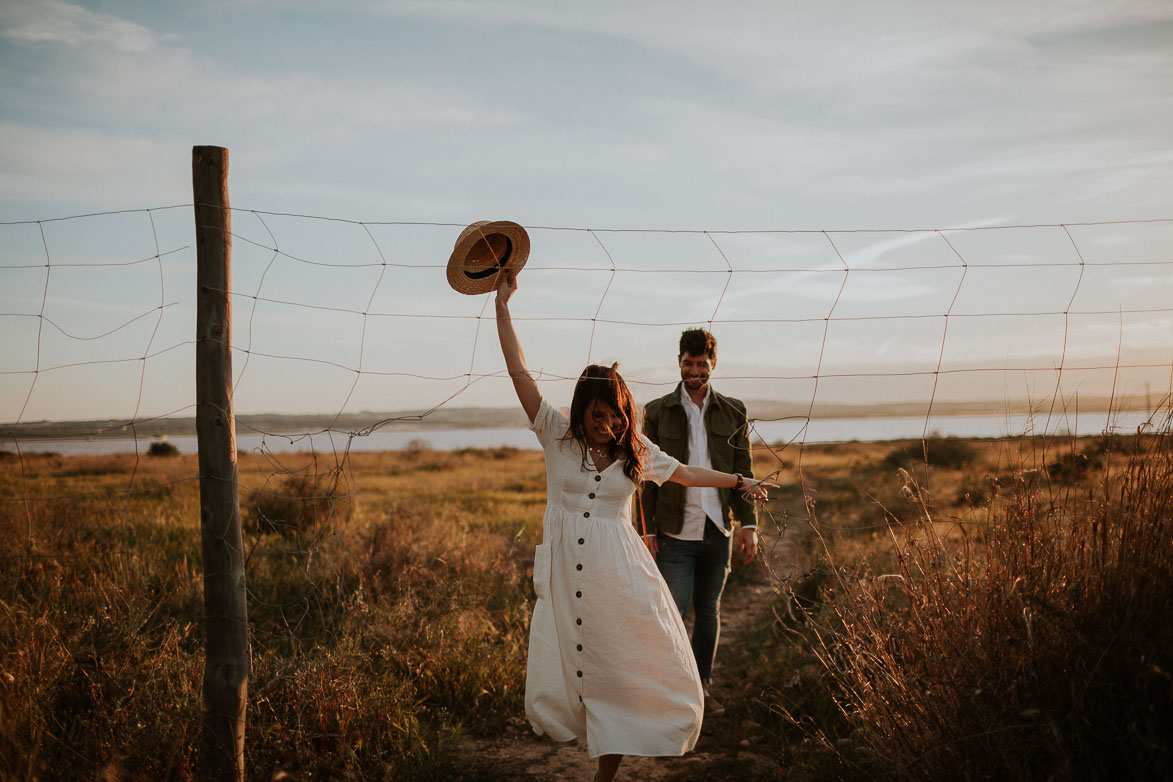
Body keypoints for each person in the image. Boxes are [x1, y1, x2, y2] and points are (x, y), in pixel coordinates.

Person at [495, 273, 773, 782]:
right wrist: (503, 308)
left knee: (622, 664)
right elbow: (518, 371)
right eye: (598, 415)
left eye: (615, 415)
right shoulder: (555, 434)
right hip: (565, 572)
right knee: (575, 666)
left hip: (618, 572)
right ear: (581, 410)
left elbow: (686, 473)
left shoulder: (634, 450)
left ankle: (608, 770)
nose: (607, 425)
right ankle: (587, 731)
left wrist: (739, 480)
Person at [641, 328, 758, 718]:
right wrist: (649, 529)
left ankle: (701, 686)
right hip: (674, 529)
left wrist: (749, 525)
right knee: (673, 611)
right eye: (688, 363)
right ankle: (670, 687)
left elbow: (743, 471)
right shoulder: (657, 411)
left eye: (702, 364)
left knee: (708, 611)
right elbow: (647, 476)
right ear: (678, 362)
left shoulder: (734, 410)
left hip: (717, 528)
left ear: (713, 365)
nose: (695, 371)